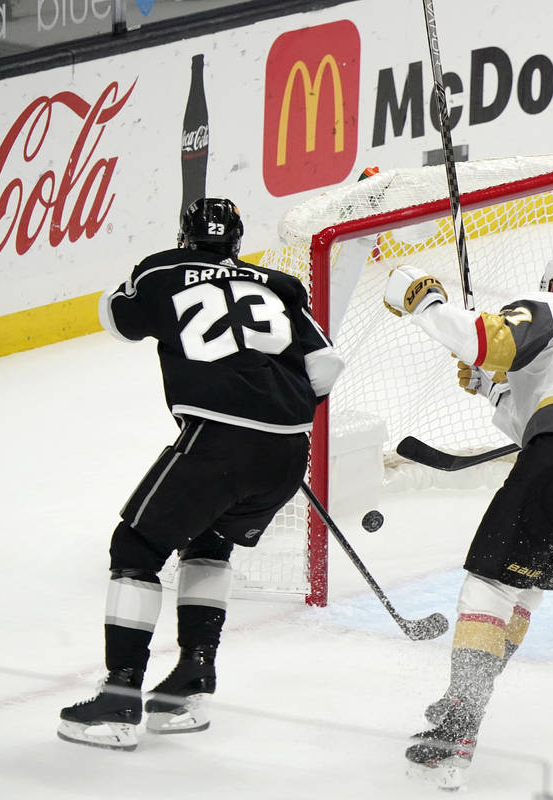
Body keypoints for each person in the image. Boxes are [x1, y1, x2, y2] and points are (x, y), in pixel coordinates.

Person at [56, 198, 344, 751]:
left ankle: (119, 699)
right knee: (209, 542)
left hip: (217, 441)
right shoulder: (279, 284)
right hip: (288, 449)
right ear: (238, 241)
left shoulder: (163, 269)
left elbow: (116, 317)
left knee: (136, 545)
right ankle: (190, 684)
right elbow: (325, 367)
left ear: (185, 235)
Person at [382, 243, 553, 789]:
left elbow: (485, 339)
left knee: (488, 585)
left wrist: (426, 301)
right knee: (522, 588)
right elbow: (537, 419)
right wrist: (496, 388)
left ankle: (462, 719)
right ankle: (468, 700)